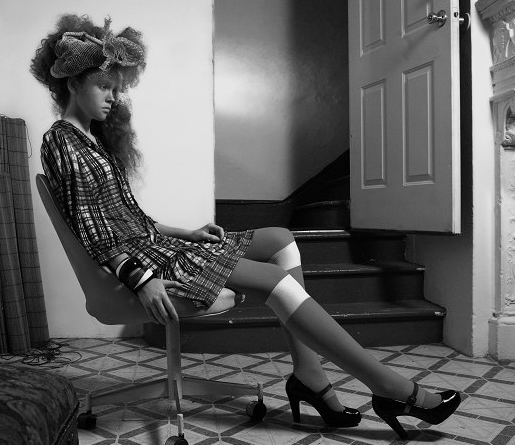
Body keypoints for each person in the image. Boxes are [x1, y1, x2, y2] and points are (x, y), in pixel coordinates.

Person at [31, 14, 460, 439]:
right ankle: (390, 389)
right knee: (276, 282)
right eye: (103, 86)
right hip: (139, 267)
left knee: (281, 240)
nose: (112, 97)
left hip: (152, 248)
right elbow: (92, 229)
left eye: (116, 88)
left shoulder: (92, 141)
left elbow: (130, 217)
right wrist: (141, 280)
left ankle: (308, 373)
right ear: (73, 84)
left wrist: (187, 233)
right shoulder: (60, 140)